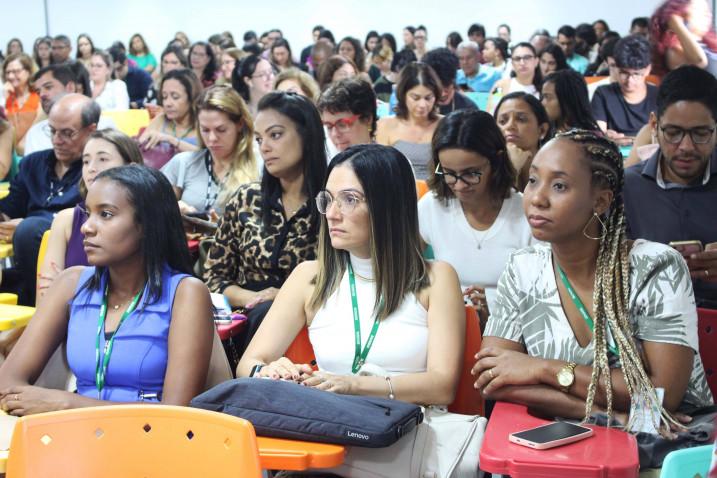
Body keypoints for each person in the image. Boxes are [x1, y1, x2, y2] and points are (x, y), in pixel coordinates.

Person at [473, 129, 713, 468]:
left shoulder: (653, 267)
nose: (537, 198)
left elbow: (661, 396)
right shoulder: (523, 268)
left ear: (600, 200)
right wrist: (603, 414)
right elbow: (492, 379)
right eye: (532, 181)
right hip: (570, 441)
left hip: (668, 445)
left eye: (559, 186)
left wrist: (540, 368)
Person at [236, 143, 463, 411]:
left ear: (387, 205)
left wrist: (353, 385)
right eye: (328, 199)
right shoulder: (310, 276)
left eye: (350, 199)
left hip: (410, 427)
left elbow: (442, 386)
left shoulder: (437, 278)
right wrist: (269, 370)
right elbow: (247, 364)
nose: (332, 213)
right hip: (332, 425)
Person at [0, 165, 213, 413]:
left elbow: (176, 413)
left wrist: (68, 404)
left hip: (149, 444)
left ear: (146, 224)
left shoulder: (186, 293)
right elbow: (7, 384)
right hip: (75, 438)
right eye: (88, 213)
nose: (86, 227)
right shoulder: (70, 284)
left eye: (106, 214)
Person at [204, 91, 327, 355]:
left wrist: (283, 298)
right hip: (247, 317)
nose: (264, 147)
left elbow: (341, 278)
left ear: (306, 134)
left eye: (275, 135)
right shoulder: (247, 199)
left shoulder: (331, 202)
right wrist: (252, 298)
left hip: (315, 321)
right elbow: (214, 277)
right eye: (259, 139)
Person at [420, 110, 532, 322]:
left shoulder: (524, 215)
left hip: (511, 333)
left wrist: (495, 318)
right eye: (449, 173)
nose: (459, 185)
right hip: (446, 324)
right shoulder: (433, 206)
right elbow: (402, 268)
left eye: (471, 173)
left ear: (496, 161)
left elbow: (541, 302)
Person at [623, 66, 717, 309]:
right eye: (673, 133)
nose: (685, 146)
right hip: (648, 322)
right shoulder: (625, 188)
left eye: (700, 134)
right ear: (654, 125)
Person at [0, 94, 98, 305]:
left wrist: (26, 225)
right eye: (52, 131)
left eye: (67, 133)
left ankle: (42, 311)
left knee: (30, 228)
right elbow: (10, 208)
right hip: (27, 257)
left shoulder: (94, 169)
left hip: (73, 257)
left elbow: (89, 217)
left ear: (91, 130)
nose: (56, 140)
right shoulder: (32, 164)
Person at [38, 129, 144, 300]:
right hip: (70, 322)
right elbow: (44, 298)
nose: (91, 168)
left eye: (103, 159)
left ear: (131, 167)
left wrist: (69, 286)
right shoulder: (66, 220)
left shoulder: (146, 217)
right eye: (86, 161)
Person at [162, 85, 258, 216]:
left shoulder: (260, 166)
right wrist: (174, 212)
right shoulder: (183, 163)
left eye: (221, 130)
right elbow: (156, 214)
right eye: (205, 130)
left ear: (240, 124)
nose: (212, 139)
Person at [24, 65, 116, 156]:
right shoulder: (35, 133)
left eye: (48, 87)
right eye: (38, 92)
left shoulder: (103, 126)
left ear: (70, 88)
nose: (42, 95)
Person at [376, 62, 442, 180]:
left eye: (428, 98)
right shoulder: (385, 124)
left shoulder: (444, 124)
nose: (422, 105)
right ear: (402, 95)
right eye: (415, 98)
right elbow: (381, 170)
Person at [592, 35, 657, 142]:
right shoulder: (603, 94)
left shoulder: (658, 96)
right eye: (624, 73)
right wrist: (607, 137)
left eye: (636, 74)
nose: (629, 80)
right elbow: (599, 132)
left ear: (647, 69)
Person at [137, 69, 201, 165]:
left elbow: (209, 157)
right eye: (164, 97)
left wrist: (172, 141)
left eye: (175, 97)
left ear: (192, 98)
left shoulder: (203, 124)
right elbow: (137, 152)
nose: (167, 103)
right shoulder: (161, 120)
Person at [494, 92, 551, 191]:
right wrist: (513, 168)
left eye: (521, 119)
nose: (510, 126)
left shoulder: (555, 169)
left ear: (542, 130)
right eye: (503, 121)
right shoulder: (487, 169)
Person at [650, 0, 717, 77]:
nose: (708, 15)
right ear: (680, 16)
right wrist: (675, 24)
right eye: (698, 9)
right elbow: (699, 61)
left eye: (707, 10)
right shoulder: (675, 50)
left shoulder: (709, 44)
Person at [318, 78, 376, 152]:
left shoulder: (388, 162)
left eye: (342, 125)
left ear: (367, 119)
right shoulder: (327, 161)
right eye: (329, 127)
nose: (334, 134)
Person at [488, 43, 543, 112]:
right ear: (512, 64)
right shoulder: (499, 86)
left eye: (527, 57)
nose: (522, 63)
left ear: (536, 61)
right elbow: (492, 111)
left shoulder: (545, 88)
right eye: (517, 59)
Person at [2, 53, 40, 152]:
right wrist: (3, 99)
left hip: (32, 151)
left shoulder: (39, 96)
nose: (10, 76)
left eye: (16, 71)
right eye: (8, 72)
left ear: (29, 72)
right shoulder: (4, 97)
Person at [422, 48, 478, 115]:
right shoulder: (419, 107)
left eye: (446, 87)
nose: (443, 94)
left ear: (453, 80)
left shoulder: (468, 109)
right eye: (437, 89)